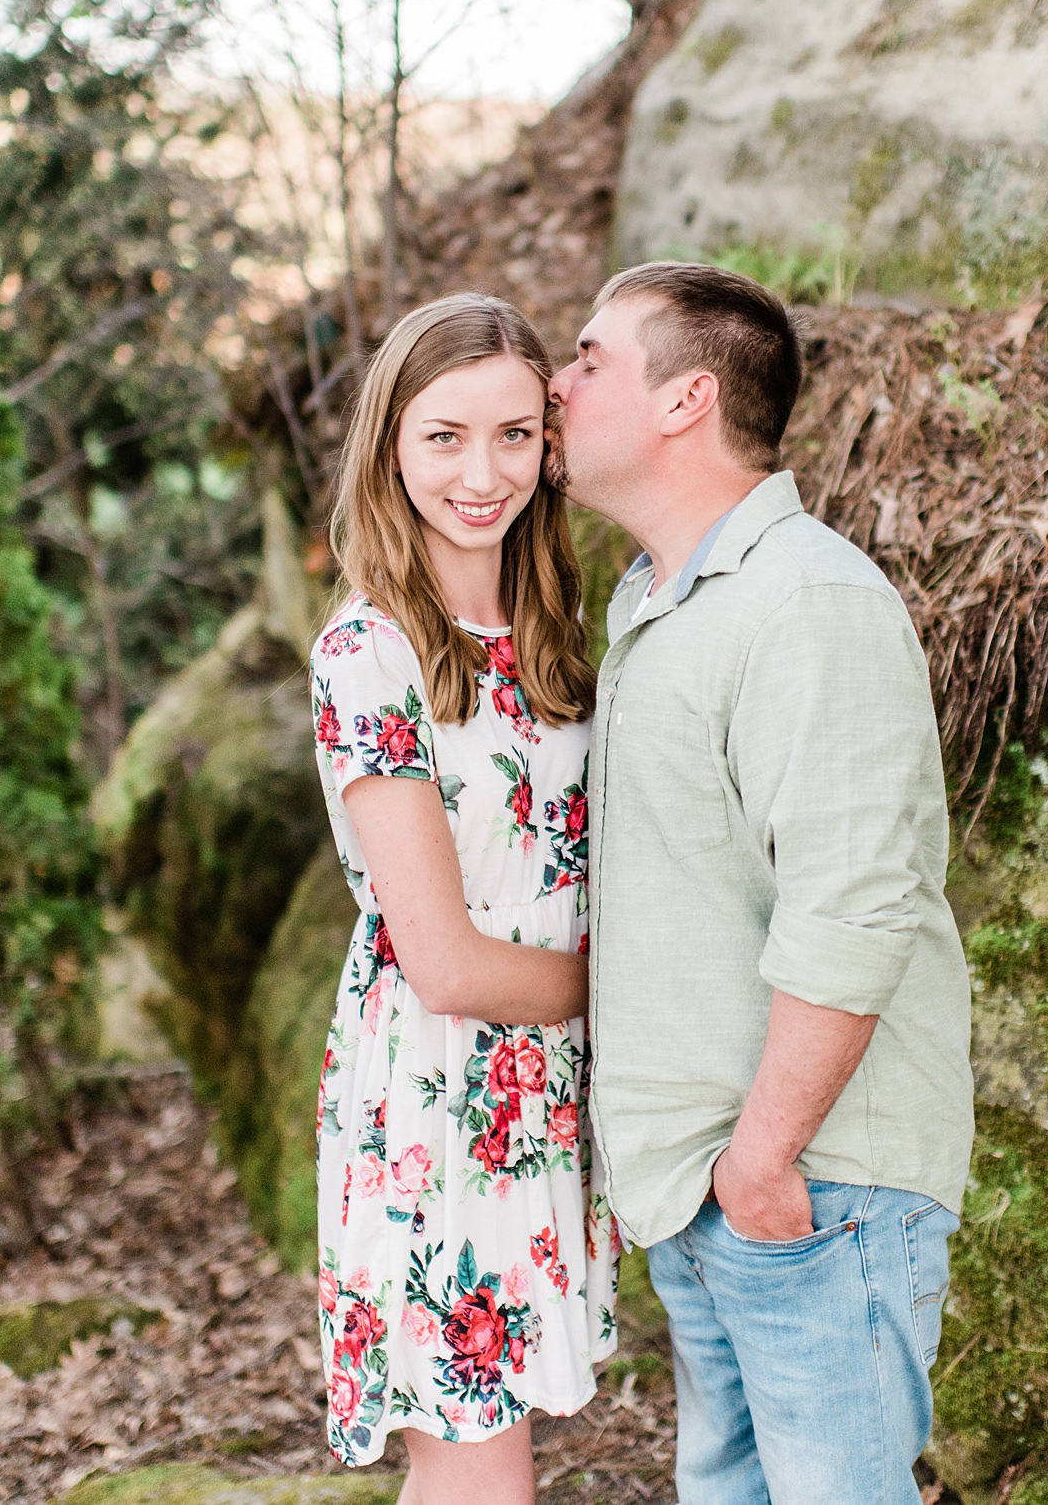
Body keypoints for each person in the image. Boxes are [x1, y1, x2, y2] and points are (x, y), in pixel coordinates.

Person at [546, 260, 975, 1505]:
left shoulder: (808, 602)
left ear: (683, 400)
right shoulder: (659, 603)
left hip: (806, 1192)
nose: (556, 383)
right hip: (708, 1195)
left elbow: (855, 905)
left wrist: (766, 1162)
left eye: (587, 359)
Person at [309, 293, 618, 1505]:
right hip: (443, 1093)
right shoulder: (370, 651)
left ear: (550, 444)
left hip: (548, 1081)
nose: (481, 472)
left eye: (511, 434)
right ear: (391, 442)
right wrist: (646, 994)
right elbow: (441, 960)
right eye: (443, 436)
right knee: (483, 1467)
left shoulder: (557, 633)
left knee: (479, 1453)